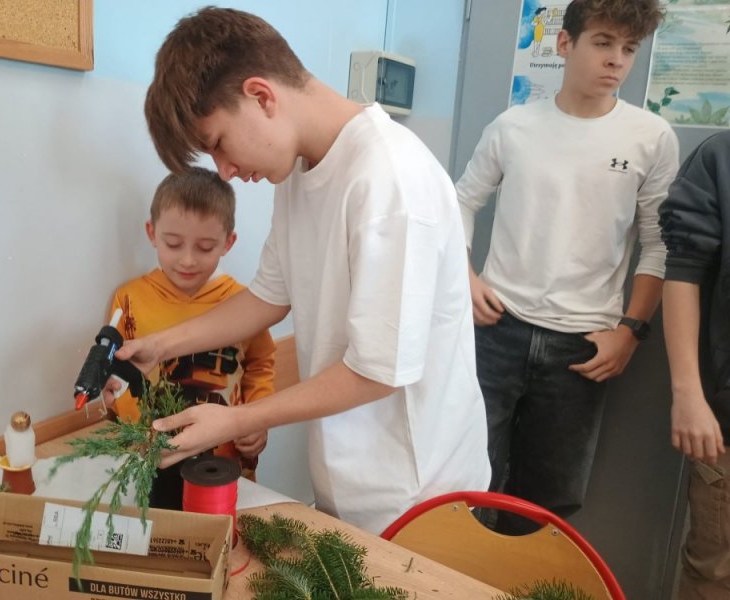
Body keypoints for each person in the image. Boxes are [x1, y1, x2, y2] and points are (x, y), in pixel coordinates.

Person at [111, 6, 490, 535]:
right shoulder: (297, 172)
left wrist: (236, 420)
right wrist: (161, 345)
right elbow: (268, 296)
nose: (225, 171)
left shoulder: (390, 181)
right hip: (347, 484)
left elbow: (376, 372)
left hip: (419, 497)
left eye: (218, 144)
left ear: (261, 96)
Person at [455, 0, 678, 533]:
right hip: (496, 330)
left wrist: (631, 331)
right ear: (565, 43)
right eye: (603, 42)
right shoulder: (513, 126)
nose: (616, 60)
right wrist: (465, 278)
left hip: (583, 346)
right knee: (465, 478)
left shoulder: (651, 138)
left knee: (547, 501)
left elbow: (659, 245)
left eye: (628, 48)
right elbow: (459, 202)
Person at [107, 166, 276, 509]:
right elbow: (117, 376)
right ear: (152, 233)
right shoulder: (129, 301)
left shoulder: (245, 306)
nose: (187, 260)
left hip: (223, 466)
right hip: (149, 462)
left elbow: (261, 364)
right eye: (173, 244)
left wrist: (257, 419)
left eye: (205, 247)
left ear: (228, 243)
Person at [659, 131, 730, 599]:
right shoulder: (719, 157)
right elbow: (683, 271)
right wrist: (687, 394)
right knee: (715, 571)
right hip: (724, 424)